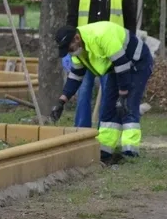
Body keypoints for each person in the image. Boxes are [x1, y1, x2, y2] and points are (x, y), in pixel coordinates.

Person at [50, 21, 154, 164]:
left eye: (69, 48)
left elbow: (122, 65)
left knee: (128, 105)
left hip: (137, 63)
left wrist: (123, 95)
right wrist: (61, 101)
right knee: (108, 108)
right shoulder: (78, 50)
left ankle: (130, 153)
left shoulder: (102, 35)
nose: (70, 52)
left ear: (76, 38)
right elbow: (76, 76)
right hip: (115, 68)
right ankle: (105, 151)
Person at [65, 0, 137, 129]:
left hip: (112, 51)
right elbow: (71, 21)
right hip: (85, 50)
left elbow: (130, 21)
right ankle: (81, 131)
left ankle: (105, 131)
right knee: (83, 91)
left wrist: (129, 49)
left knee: (109, 93)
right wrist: (69, 48)